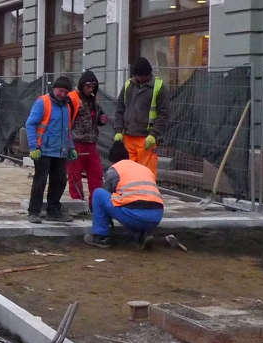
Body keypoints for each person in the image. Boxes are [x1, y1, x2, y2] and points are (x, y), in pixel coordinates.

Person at [84, 141, 164, 250]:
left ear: (112, 161)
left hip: (134, 215)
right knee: (130, 205)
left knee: (98, 194)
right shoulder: (145, 169)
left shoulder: (114, 170)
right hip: (156, 216)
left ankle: (101, 237)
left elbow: (107, 195)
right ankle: (142, 236)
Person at [24, 76, 77, 224]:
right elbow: (30, 124)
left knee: (60, 181)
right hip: (43, 151)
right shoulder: (43, 102)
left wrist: (71, 147)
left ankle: (53, 211)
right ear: (54, 88)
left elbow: (67, 129)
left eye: (66, 92)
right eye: (60, 90)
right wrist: (34, 146)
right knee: (40, 181)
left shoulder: (66, 106)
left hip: (60, 151)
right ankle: (34, 211)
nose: (63, 94)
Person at [114, 57, 168, 173]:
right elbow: (119, 109)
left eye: (141, 76)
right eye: (137, 76)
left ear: (148, 74)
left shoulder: (158, 87)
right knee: (127, 173)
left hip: (146, 139)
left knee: (146, 173)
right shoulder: (128, 85)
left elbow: (164, 114)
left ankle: (146, 192)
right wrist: (118, 130)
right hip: (128, 137)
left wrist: (153, 134)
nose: (139, 78)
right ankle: (130, 192)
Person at [66, 70, 107, 204]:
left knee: (96, 174)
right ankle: (78, 202)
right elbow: (66, 121)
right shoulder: (72, 98)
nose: (90, 89)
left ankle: (95, 203)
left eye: (92, 87)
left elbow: (96, 118)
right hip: (75, 143)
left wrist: (101, 120)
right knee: (74, 175)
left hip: (91, 143)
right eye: (87, 86)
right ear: (82, 85)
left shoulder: (94, 100)